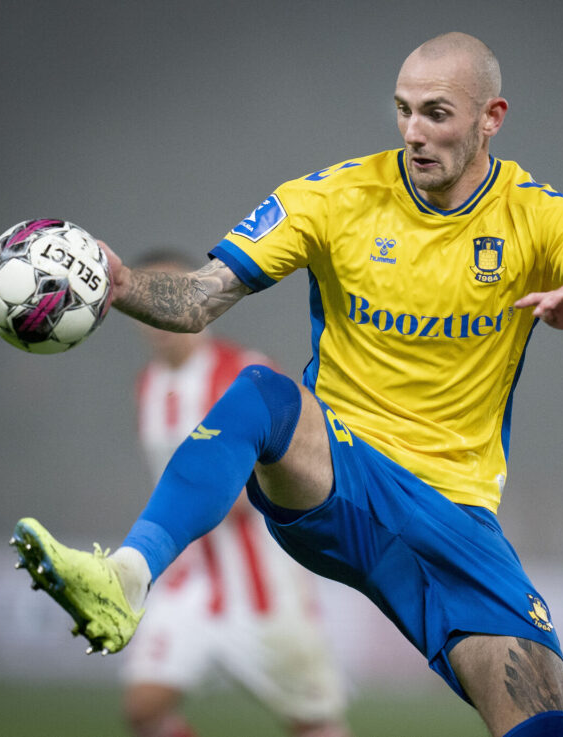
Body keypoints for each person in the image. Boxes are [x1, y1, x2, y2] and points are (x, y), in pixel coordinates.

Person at [10, 31, 563, 737]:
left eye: (437, 114)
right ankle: (127, 577)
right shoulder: (334, 197)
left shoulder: (541, 217)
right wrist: (122, 285)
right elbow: (201, 298)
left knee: (545, 723)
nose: (414, 133)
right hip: (341, 471)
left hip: (456, 514)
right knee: (262, 395)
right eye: (403, 110)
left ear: (492, 117)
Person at [123, 250, 350, 737]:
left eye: (172, 296)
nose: (160, 314)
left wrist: (221, 495)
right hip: (187, 582)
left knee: (311, 722)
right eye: (151, 298)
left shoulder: (245, 373)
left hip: (261, 585)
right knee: (144, 711)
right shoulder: (147, 385)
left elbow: (290, 460)